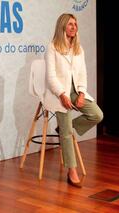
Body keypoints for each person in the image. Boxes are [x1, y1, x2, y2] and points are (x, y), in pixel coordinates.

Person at [45, 13, 103, 188]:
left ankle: (65, 129)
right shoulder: (52, 47)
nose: (74, 27)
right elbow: (50, 76)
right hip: (58, 93)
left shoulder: (79, 49)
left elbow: (82, 74)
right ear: (62, 26)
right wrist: (62, 94)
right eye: (70, 24)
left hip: (76, 92)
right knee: (68, 133)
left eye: (75, 24)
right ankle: (72, 170)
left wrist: (83, 93)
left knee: (97, 115)